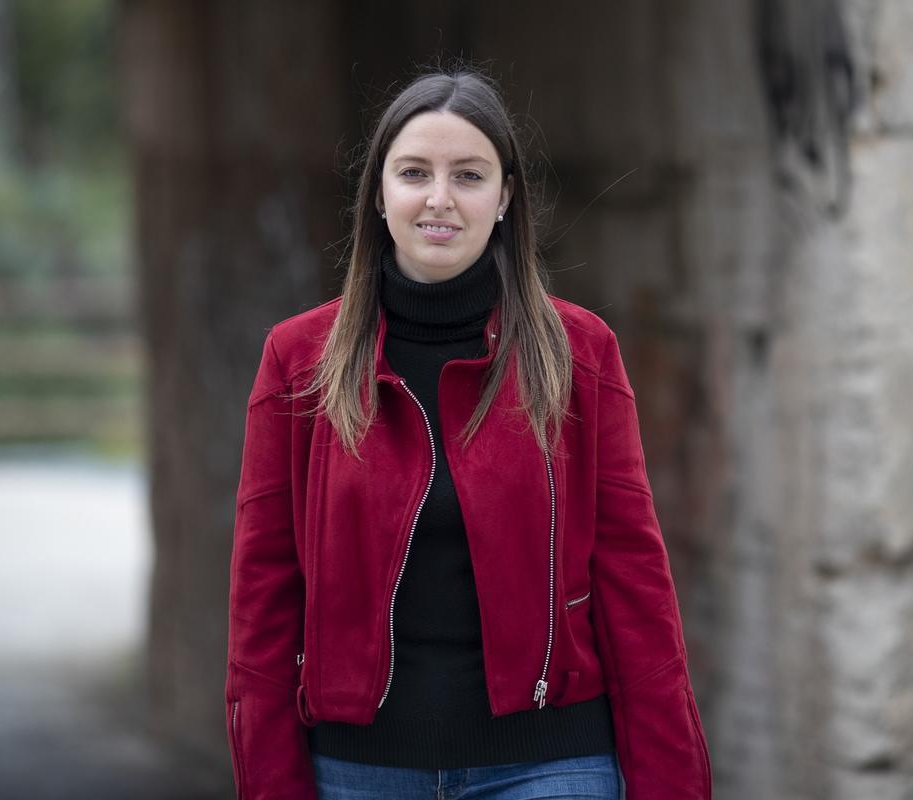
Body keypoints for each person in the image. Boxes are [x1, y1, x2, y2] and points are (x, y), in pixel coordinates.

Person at [224, 69, 711, 800]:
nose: (440, 198)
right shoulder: (299, 363)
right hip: (357, 772)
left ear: (506, 196)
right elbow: (263, 599)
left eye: (470, 175)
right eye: (414, 172)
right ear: (379, 194)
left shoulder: (581, 354)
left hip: (551, 764)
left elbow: (636, 588)